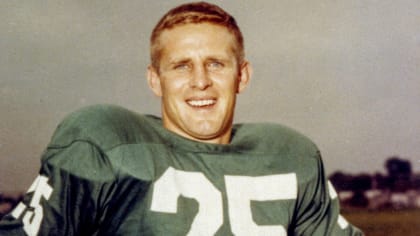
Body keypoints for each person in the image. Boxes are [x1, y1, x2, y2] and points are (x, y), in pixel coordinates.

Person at [0, 2, 363, 235]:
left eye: (216, 64)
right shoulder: (106, 141)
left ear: (243, 76)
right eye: (181, 66)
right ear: (155, 80)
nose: (200, 80)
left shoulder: (290, 156)